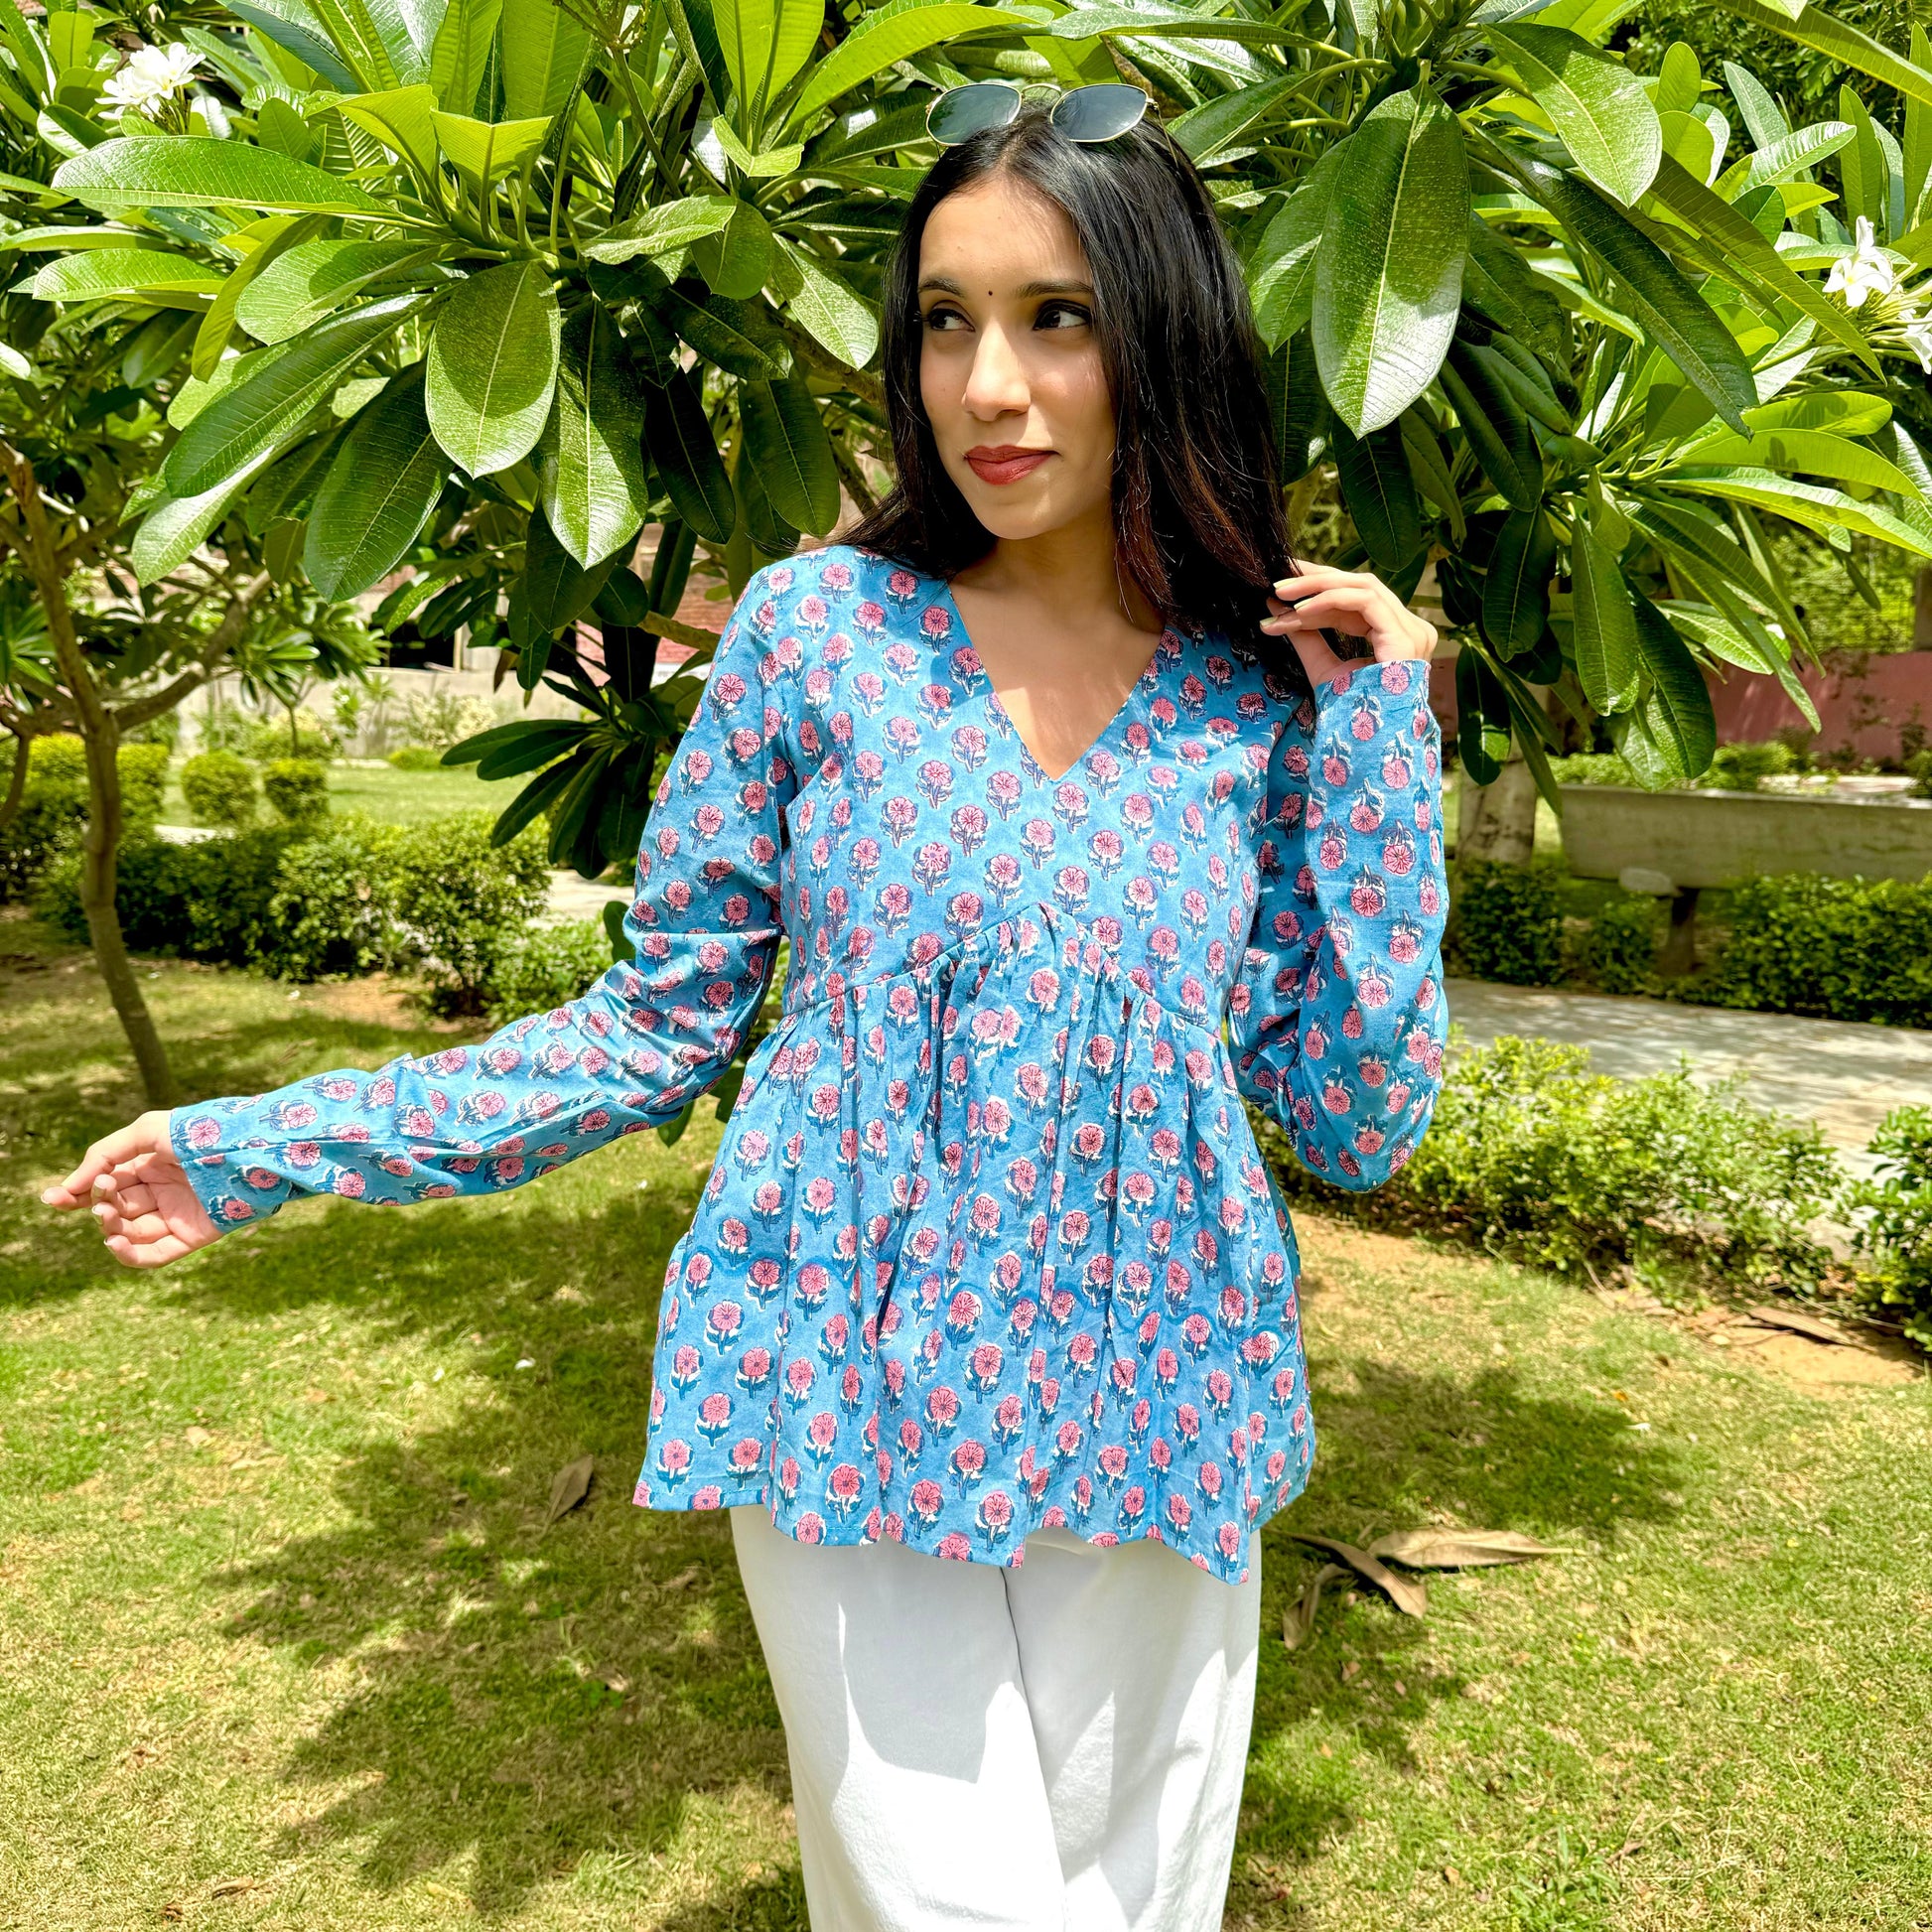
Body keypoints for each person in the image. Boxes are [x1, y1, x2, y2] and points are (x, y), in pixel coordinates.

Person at [46, 89, 1446, 1932]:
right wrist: (258, 1144)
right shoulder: (812, 633)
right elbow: (646, 1031)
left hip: (1160, 1388)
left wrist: (1377, 744)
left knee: (1133, 1901)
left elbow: (1357, 1117)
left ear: (1160, 338)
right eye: (946, 319)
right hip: (836, 1373)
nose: (988, 387)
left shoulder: (1262, 706)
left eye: (1058, 317)